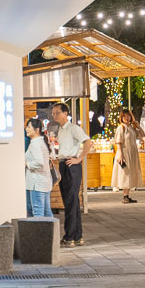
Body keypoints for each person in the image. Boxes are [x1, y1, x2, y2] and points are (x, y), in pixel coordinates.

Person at [52, 102, 90, 247]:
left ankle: (69, 236)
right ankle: (77, 236)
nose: (54, 115)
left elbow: (88, 142)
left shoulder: (73, 128)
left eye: (57, 112)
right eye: (53, 113)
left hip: (71, 164)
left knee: (70, 201)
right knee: (71, 201)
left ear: (65, 113)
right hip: (63, 163)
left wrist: (79, 158)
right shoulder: (60, 130)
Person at [111, 109, 143, 204]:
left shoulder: (132, 128)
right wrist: (120, 154)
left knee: (130, 173)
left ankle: (127, 195)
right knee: (125, 174)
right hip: (125, 153)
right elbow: (118, 142)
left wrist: (138, 126)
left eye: (128, 116)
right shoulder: (121, 128)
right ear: (121, 117)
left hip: (132, 153)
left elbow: (142, 135)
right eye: (124, 116)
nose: (126, 118)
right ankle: (125, 196)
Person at [24, 118, 53, 217]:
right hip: (43, 182)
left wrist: (27, 164)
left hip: (36, 183)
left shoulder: (36, 143)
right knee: (46, 212)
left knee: (38, 213)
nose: (26, 129)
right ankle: (52, 232)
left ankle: (40, 232)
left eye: (29, 127)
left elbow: (39, 162)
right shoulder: (40, 142)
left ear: (37, 130)